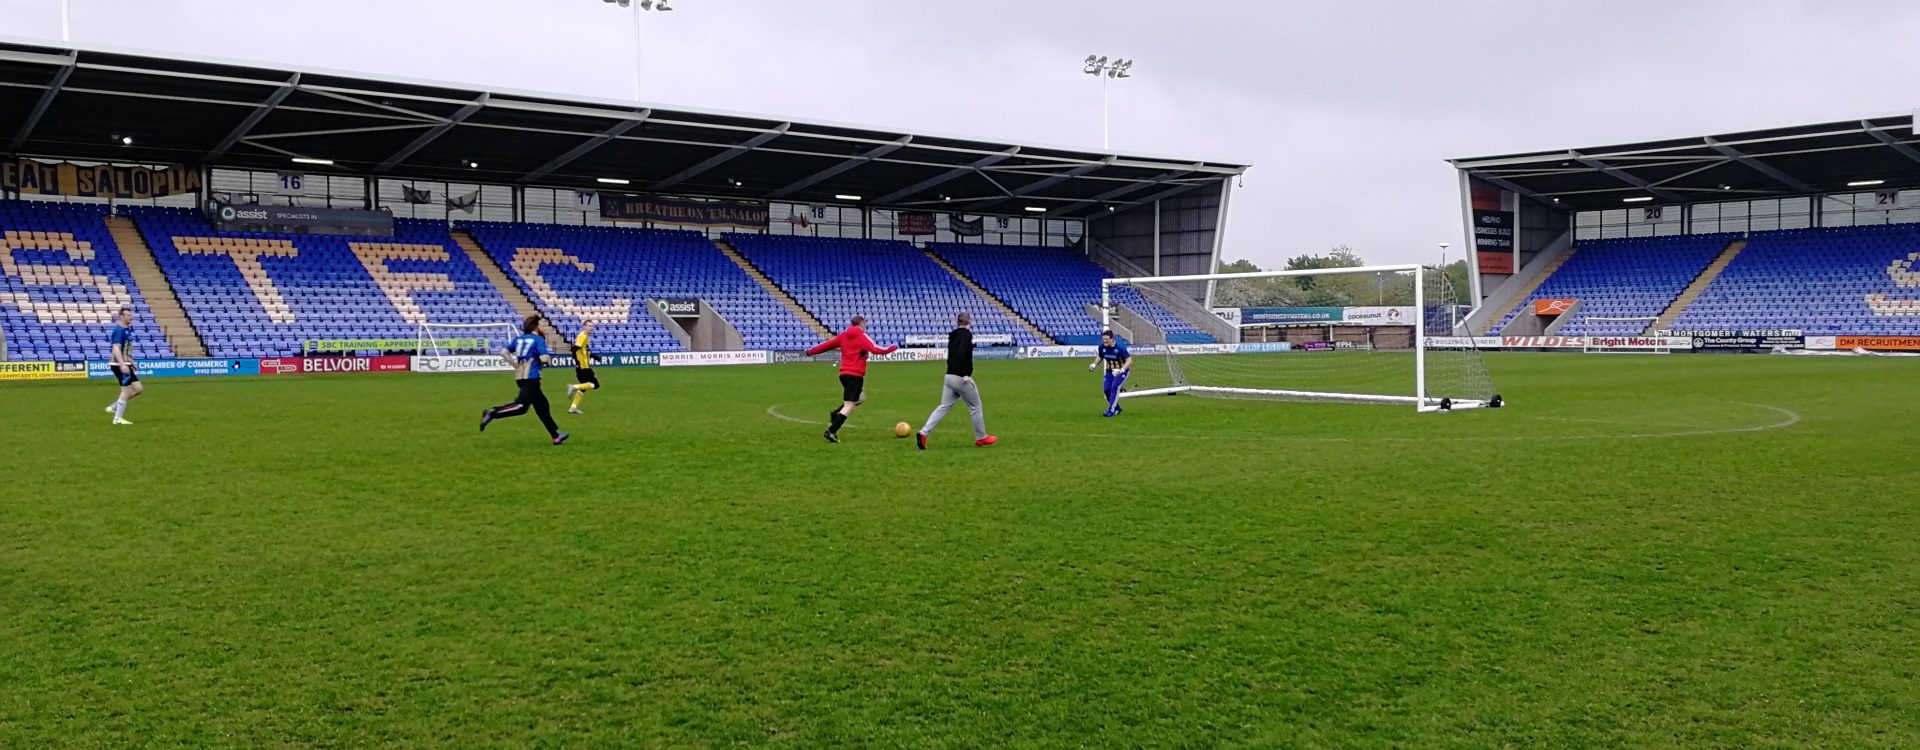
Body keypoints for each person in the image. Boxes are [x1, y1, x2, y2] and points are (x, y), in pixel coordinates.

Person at [805, 314, 897, 443]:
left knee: (860, 398)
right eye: (865, 323)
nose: (865, 325)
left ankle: (836, 414)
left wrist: (811, 351)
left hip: (844, 374)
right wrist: (891, 348)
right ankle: (831, 431)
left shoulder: (843, 336)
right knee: (849, 405)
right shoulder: (861, 336)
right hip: (855, 375)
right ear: (861, 323)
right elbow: (875, 348)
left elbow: (827, 345)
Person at [479, 315, 569, 445]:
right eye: (542, 325)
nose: (544, 328)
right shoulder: (538, 340)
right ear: (535, 327)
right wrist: (547, 360)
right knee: (521, 407)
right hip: (531, 377)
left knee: (542, 406)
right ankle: (492, 414)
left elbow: (503, 352)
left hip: (521, 377)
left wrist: (515, 365)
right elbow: (544, 358)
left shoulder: (518, 339)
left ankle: (556, 436)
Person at [916, 312, 995, 449]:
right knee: (975, 406)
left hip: (949, 376)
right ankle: (981, 437)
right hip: (960, 377)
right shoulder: (966, 335)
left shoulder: (953, 335)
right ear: (969, 322)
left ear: (957, 322)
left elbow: (952, 355)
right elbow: (961, 353)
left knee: (943, 406)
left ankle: (924, 432)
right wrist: (965, 374)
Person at [103, 306, 141, 426]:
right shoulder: (119, 330)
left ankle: (114, 407)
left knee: (138, 389)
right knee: (126, 390)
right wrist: (122, 364)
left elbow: (125, 349)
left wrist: (130, 360)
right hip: (119, 364)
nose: (131, 317)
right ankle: (117, 419)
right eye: (128, 315)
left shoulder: (127, 330)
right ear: (121, 317)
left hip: (126, 363)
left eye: (131, 315)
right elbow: (116, 348)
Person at [1090, 329, 1131, 417]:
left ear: (1112, 339)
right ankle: (1117, 408)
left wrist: (1121, 370)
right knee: (1106, 390)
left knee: (1114, 387)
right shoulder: (1102, 347)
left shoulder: (1120, 348)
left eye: (1106, 339)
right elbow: (1100, 356)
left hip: (1121, 372)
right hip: (1109, 371)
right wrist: (1094, 363)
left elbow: (1129, 360)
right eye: (1103, 339)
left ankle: (1111, 411)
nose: (1104, 341)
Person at [565, 319, 599, 414]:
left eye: (592, 326)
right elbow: (574, 349)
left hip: (584, 366)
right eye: (589, 326)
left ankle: (573, 408)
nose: (591, 328)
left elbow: (585, 351)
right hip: (583, 367)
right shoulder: (582, 336)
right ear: (584, 327)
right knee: (595, 385)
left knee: (583, 388)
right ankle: (573, 387)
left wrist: (594, 356)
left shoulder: (585, 337)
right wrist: (578, 362)